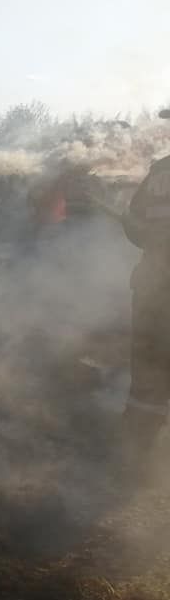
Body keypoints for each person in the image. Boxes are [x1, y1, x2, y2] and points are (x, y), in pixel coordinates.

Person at [121, 110, 170, 460]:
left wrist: (156, 244)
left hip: (153, 280)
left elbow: (132, 223)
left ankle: (136, 447)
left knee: (149, 361)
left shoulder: (159, 171)